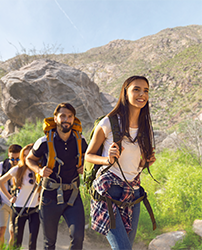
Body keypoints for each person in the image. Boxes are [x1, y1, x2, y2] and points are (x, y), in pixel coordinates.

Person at [85, 76, 156, 250]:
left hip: (134, 192)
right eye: (136, 89)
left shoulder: (145, 127)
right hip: (109, 191)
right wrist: (107, 159)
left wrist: (145, 162)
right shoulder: (108, 122)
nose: (142, 94)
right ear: (125, 93)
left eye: (146, 90)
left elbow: (135, 165)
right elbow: (88, 155)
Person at [26, 102, 88, 250]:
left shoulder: (80, 141)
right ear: (55, 118)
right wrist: (39, 171)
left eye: (70, 116)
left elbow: (89, 157)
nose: (66, 120)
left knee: (78, 237)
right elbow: (29, 159)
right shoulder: (43, 142)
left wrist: (84, 166)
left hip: (73, 197)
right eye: (63, 116)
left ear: (73, 119)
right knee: (49, 243)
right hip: (49, 198)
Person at [0, 143, 40, 250]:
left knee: (33, 241)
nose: (27, 158)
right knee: (17, 240)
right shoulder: (17, 169)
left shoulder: (39, 170)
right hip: (18, 209)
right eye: (24, 155)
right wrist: (9, 197)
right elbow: (0, 182)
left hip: (35, 209)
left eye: (29, 155)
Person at [0, 144, 22, 250]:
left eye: (17, 158)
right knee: (1, 230)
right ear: (8, 155)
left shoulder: (24, 168)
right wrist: (0, 180)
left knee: (13, 232)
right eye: (12, 158)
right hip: (2, 203)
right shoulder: (1, 166)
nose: (15, 161)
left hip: (16, 204)